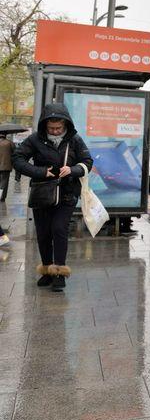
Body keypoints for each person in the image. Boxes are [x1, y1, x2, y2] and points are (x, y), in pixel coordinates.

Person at [13, 104, 93, 292]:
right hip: (43, 193)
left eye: (59, 128)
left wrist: (72, 170)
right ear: (45, 125)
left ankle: (59, 273)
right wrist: (41, 172)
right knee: (43, 234)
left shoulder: (74, 139)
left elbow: (88, 162)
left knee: (58, 229)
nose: (55, 131)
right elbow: (18, 159)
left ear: (65, 124)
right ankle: (47, 270)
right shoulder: (34, 139)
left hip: (66, 193)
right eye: (51, 128)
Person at [0, 133, 13, 246]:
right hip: (5, 166)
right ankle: (2, 196)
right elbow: (14, 153)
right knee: (4, 183)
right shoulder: (9, 143)